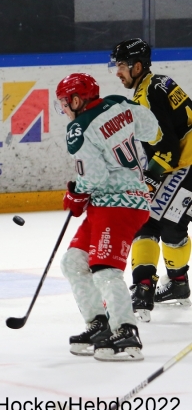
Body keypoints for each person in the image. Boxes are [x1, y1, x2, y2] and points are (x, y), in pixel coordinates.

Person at [56, 73, 159, 361]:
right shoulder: (119, 104)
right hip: (120, 202)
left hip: (117, 205)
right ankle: (99, 324)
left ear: (77, 100)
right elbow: (151, 130)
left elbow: (95, 175)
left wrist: (76, 192)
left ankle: (126, 332)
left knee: (104, 268)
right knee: (74, 262)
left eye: (64, 103)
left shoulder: (79, 127)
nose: (63, 109)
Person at [111, 38, 192, 321]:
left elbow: (168, 148)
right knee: (154, 223)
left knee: (163, 225)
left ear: (136, 66)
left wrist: (148, 182)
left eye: (121, 65)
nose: (117, 71)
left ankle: (156, 287)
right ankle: (166, 285)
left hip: (186, 165)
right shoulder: (156, 83)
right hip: (182, 163)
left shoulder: (147, 96)